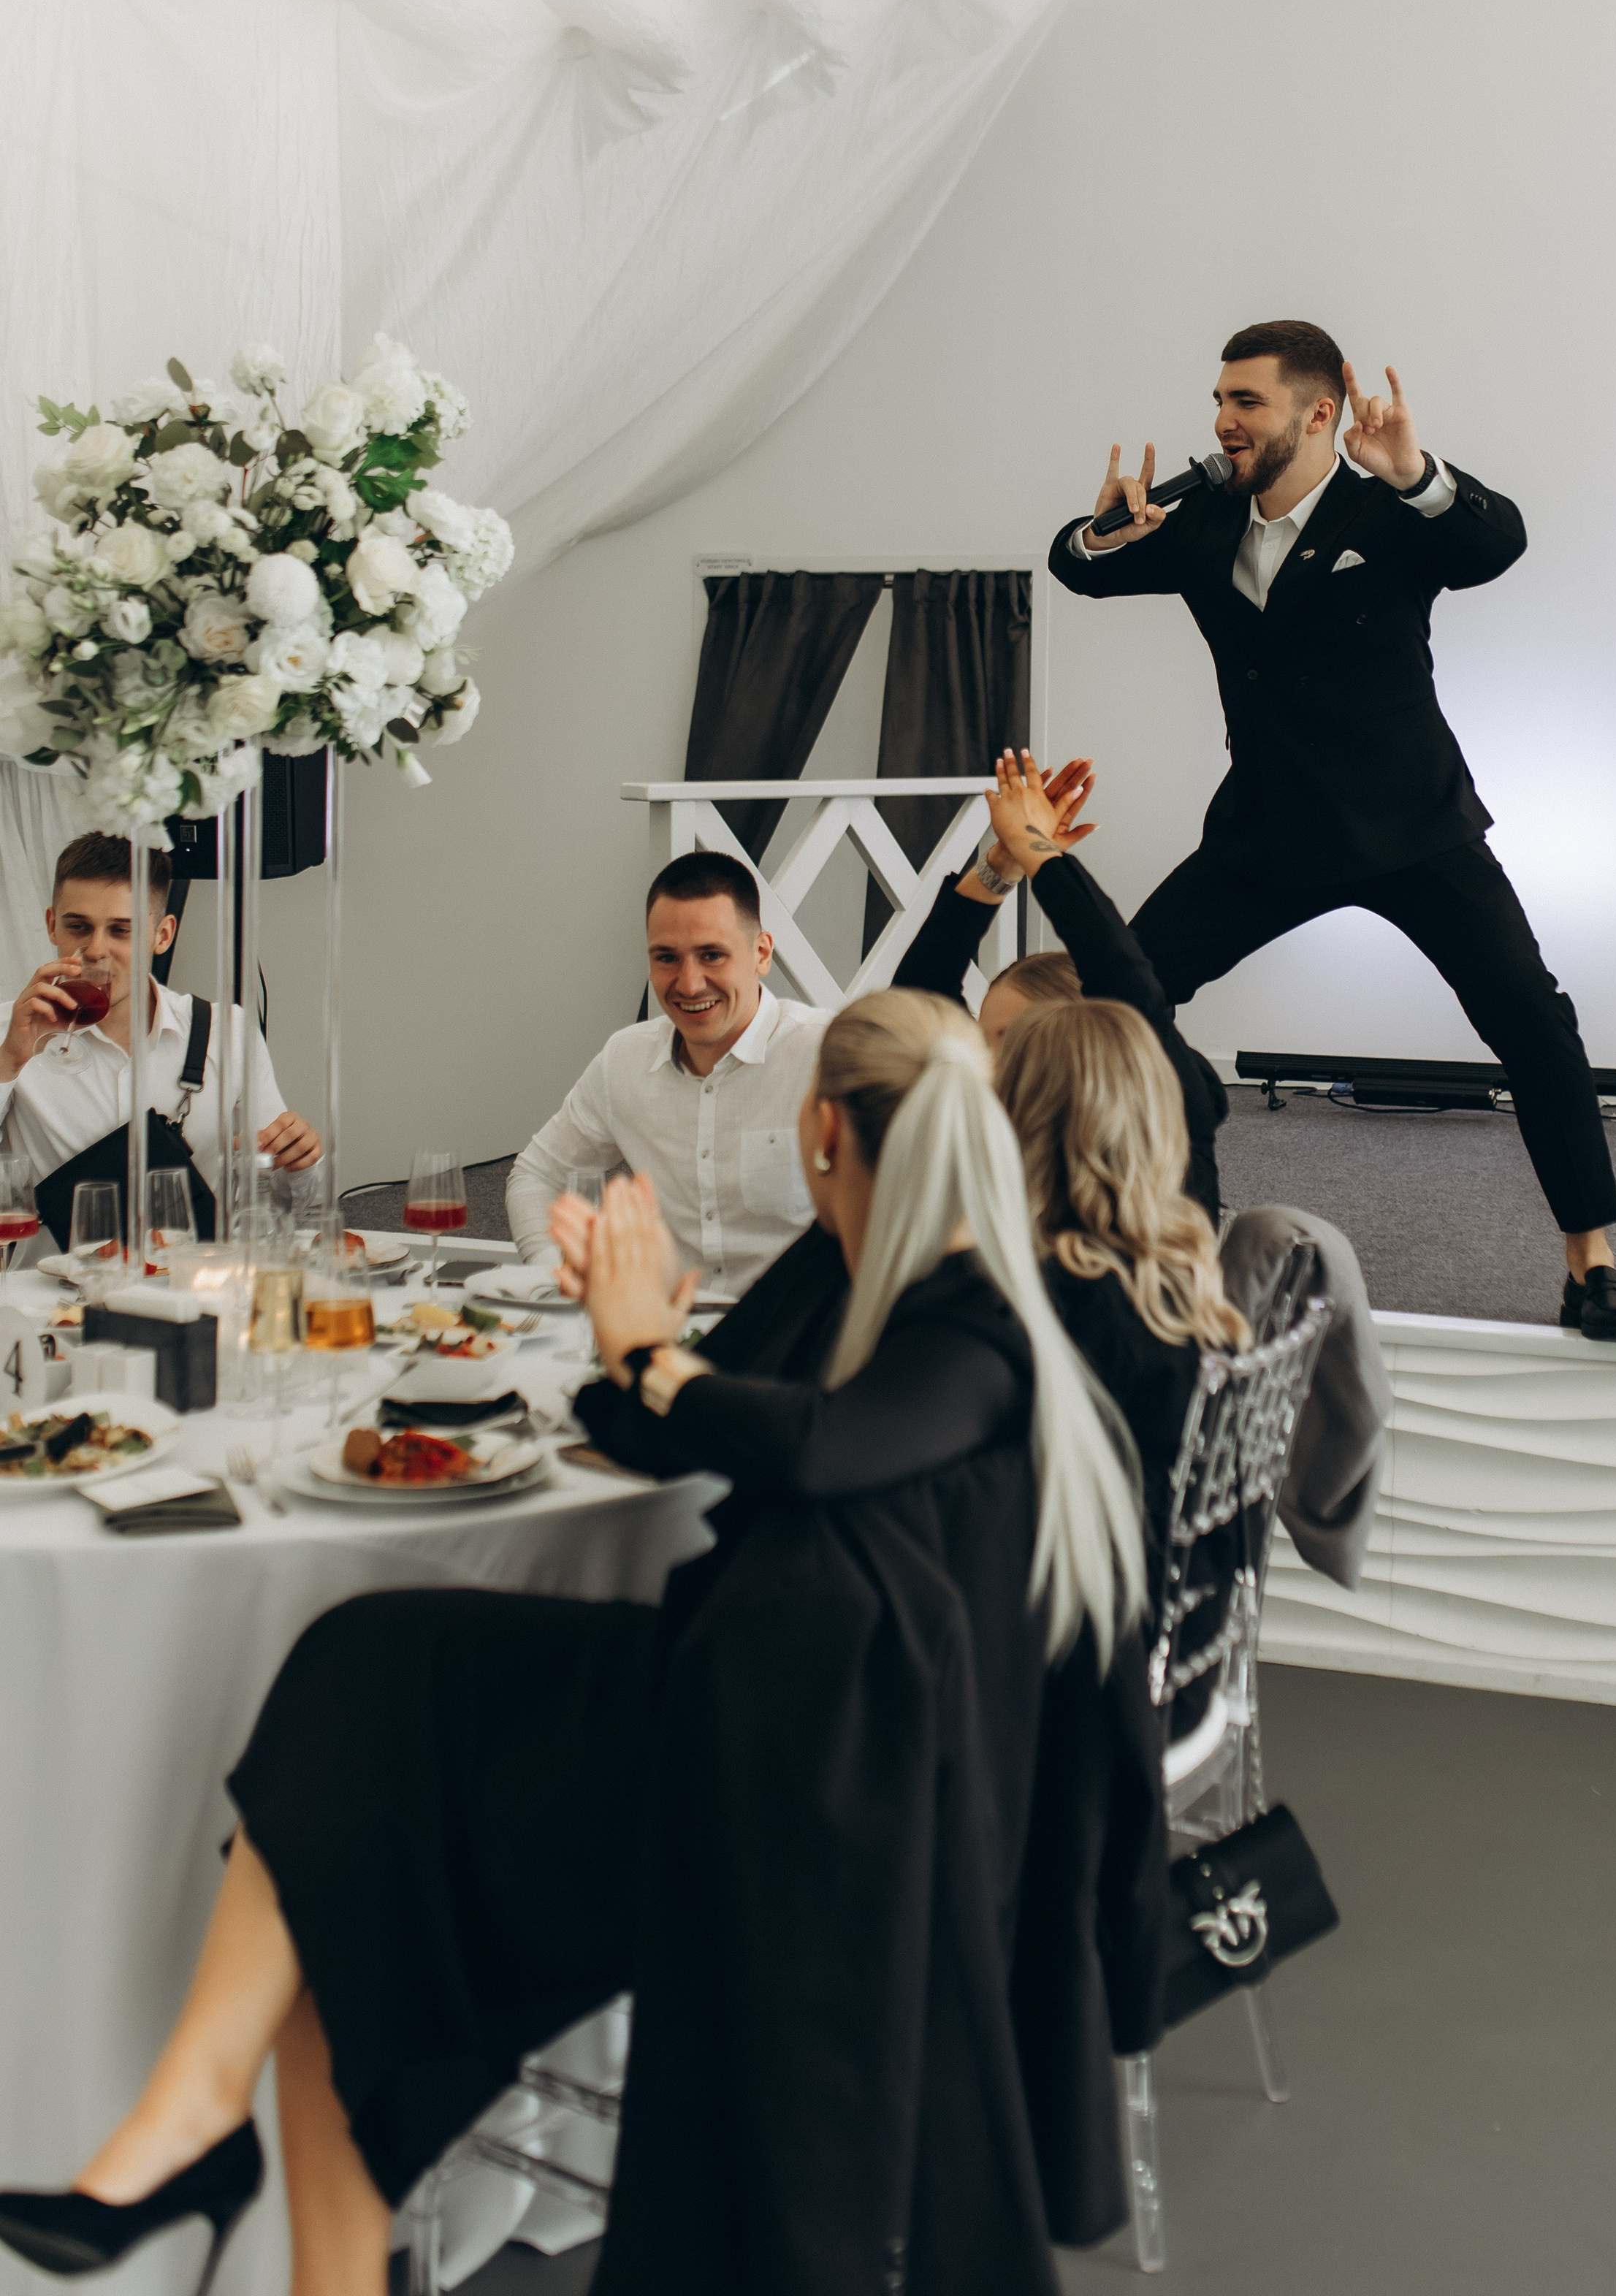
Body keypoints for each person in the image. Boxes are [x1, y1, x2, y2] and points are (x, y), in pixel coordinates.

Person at [0, 995, 1162, 2296]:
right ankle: (203, 2138)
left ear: (822, 1129)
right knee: (351, 1747)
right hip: (759, 1716)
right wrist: (637, 1322)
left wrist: (650, 1351)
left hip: (785, 1790)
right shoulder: (862, 1270)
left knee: (358, 1756)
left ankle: (189, 2137)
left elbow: (806, 1444)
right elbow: (687, 1425)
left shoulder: (980, 1320)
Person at [1050, 318, 1616, 1346]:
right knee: (1117, 999)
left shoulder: (1393, 512)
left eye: (1247, 401)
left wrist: (1416, 471)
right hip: (1268, 834)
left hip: (1409, 823)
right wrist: (1104, 530)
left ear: (1316, 412)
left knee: (1530, 1017)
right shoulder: (1199, 522)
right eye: (1220, 400)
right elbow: (1079, 568)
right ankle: (1114, 1232)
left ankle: (1591, 1265)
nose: (1223, 420)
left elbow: (1494, 542)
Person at [896, 747, 1230, 1223]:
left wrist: (1038, 849)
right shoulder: (991, 1129)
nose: (987, 1063)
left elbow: (1122, 973)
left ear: (1098, 1045)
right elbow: (916, 1002)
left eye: (1012, 1042)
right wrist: (1004, 861)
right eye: (982, 1039)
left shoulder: (1167, 1123)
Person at [504, 848, 828, 1295]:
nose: (690, 983)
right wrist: (553, 1272)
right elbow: (537, 1176)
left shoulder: (825, 1054)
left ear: (761, 953)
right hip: (660, 1335)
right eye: (667, 958)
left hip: (791, 1344)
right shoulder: (625, 1059)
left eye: (712, 955)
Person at [0, 830, 320, 1251]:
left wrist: (297, 1164)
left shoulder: (226, 1032)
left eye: (121, 930)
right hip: (47, 1304)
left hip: (191, 1293)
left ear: (162, 934)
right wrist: (9, 1060)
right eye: (78, 927)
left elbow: (284, 1212)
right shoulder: (10, 1027)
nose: (96, 950)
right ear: (51, 925)